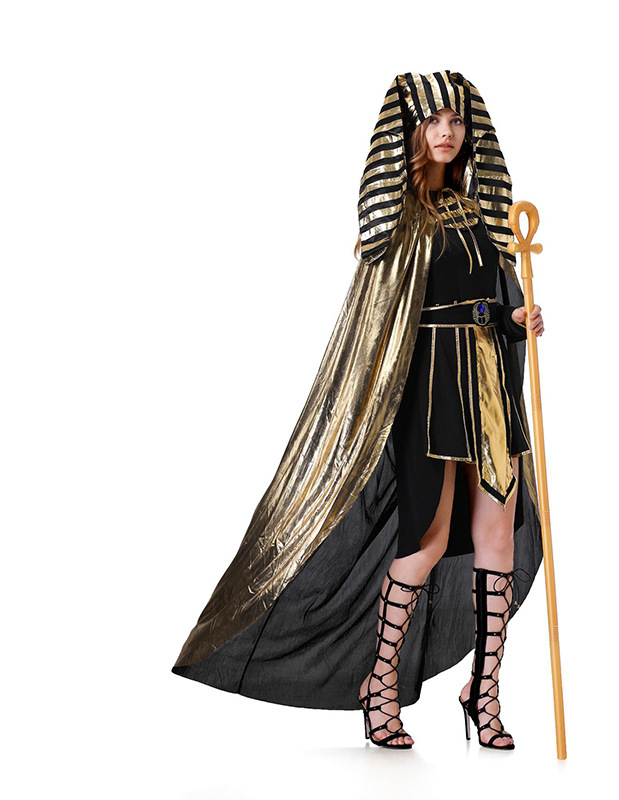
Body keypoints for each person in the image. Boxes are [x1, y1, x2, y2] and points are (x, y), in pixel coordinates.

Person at [172, 71, 545, 753]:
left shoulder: (479, 215)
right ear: (411, 131)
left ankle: (483, 692)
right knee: (426, 543)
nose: (445, 132)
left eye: (455, 121)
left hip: (488, 390)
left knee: (497, 537)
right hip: (431, 397)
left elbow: (491, 304)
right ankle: (379, 685)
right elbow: (388, 322)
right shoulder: (398, 221)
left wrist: (515, 317)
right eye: (432, 121)